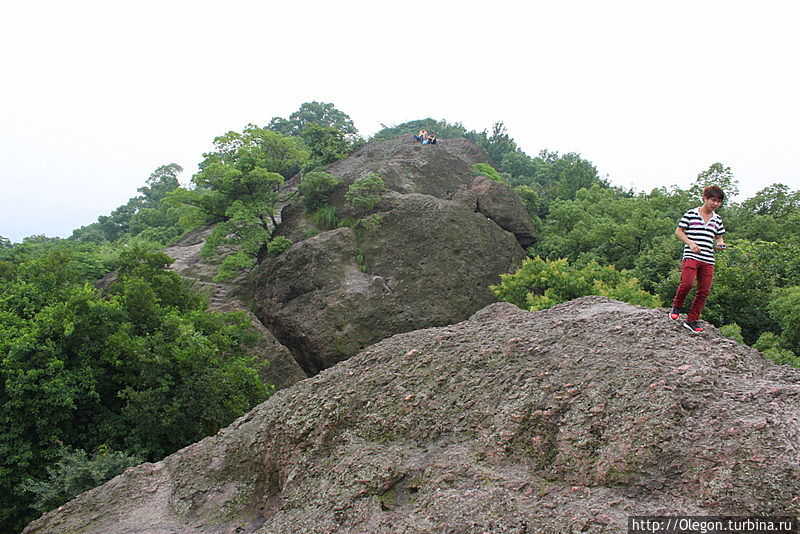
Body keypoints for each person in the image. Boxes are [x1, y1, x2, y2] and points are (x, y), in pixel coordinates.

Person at [669, 185, 727, 333]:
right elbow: (678, 231)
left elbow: (719, 237)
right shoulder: (691, 214)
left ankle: (692, 320)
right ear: (705, 199)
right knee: (687, 283)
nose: (715, 204)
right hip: (691, 255)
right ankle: (677, 306)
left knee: (704, 291)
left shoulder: (717, 219)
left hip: (708, 258)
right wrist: (690, 243)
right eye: (713, 200)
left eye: (719, 201)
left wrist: (720, 244)